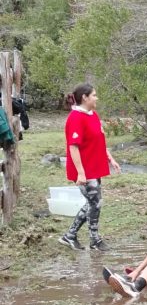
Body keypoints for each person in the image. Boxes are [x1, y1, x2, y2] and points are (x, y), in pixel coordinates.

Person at [58, 83, 121, 252]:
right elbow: (73, 146)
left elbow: (99, 140)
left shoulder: (93, 115)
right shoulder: (75, 117)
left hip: (94, 166)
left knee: (92, 202)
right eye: (94, 95)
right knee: (96, 202)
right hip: (83, 170)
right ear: (84, 98)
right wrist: (80, 173)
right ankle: (94, 240)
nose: (96, 98)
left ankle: (70, 235)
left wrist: (110, 158)